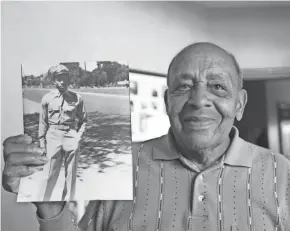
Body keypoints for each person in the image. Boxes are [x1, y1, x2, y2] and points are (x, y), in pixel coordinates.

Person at [2, 43, 290, 230]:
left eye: (217, 87)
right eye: (183, 87)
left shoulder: (283, 175)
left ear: (239, 104)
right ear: (166, 102)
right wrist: (52, 209)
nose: (199, 100)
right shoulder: (122, 165)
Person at [32, 64, 87, 201]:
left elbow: (83, 120)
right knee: (49, 175)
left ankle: (68, 206)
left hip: (71, 135)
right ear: (54, 81)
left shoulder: (77, 98)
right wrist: (42, 143)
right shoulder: (47, 99)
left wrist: (78, 137)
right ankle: (43, 204)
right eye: (59, 79)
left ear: (69, 80)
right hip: (53, 136)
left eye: (65, 78)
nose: (62, 81)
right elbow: (43, 122)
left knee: (71, 175)